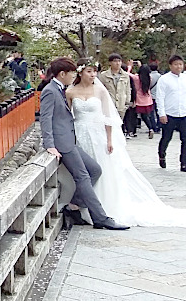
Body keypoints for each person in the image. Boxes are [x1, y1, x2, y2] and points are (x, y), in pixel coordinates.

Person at [67, 58, 186, 226]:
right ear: (80, 72)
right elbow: (68, 117)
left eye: (94, 71)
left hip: (97, 133)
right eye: (89, 71)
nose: (93, 74)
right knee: (84, 170)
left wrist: (109, 139)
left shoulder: (99, 91)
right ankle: (80, 205)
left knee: (101, 169)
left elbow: (107, 116)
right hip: (79, 133)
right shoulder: (70, 92)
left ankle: (96, 205)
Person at [39, 57, 128, 230]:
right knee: (83, 176)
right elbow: (45, 118)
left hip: (70, 140)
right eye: (71, 73)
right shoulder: (50, 90)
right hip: (62, 142)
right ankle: (100, 218)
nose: (74, 76)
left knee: (95, 170)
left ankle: (73, 207)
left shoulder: (61, 89)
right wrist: (49, 144)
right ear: (62, 74)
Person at [156, 54, 186, 170]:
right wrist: (162, 113)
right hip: (169, 114)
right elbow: (160, 97)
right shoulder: (164, 79)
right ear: (170, 66)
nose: (178, 67)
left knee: (185, 139)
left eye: (180, 64)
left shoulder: (184, 78)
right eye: (176, 64)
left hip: (183, 113)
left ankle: (183, 162)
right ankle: (162, 155)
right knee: (166, 137)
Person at [98, 53, 132, 134]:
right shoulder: (104, 75)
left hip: (121, 105)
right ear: (110, 63)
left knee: (118, 127)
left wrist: (127, 103)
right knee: (109, 126)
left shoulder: (125, 75)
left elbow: (128, 90)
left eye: (119, 61)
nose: (118, 63)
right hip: (109, 105)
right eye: (115, 61)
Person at [133, 64, 157, 139]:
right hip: (147, 99)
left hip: (138, 99)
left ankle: (133, 130)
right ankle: (151, 128)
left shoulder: (136, 78)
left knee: (133, 115)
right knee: (146, 116)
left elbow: (128, 74)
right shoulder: (149, 78)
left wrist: (130, 67)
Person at [149, 61, 162, 134]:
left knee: (151, 113)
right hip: (159, 96)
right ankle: (159, 126)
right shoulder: (161, 76)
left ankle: (153, 127)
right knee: (158, 112)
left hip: (151, 96)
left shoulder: (149, 76)